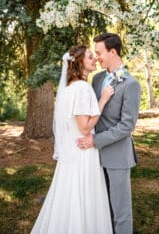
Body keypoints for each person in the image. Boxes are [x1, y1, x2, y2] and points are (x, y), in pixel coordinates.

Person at [31, 45, 114, 234]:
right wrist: (103, 100)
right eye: (90, 57)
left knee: (69, 195)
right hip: (83, 151)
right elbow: (84, 127)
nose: (94, 59)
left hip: (71, 150)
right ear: (79, 62)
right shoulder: (83, 88)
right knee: (84, 195)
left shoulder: (68, 88)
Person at [77, 33, 141, 234]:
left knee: (120, 211)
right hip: (94, 157)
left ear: (113, 52)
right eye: (94, 54)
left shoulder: (131, 84)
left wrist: (95, 140)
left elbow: (126, 126)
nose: (96, 58)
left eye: (99, 53)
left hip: (117, 156)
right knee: (101, 207)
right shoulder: (96, 79)